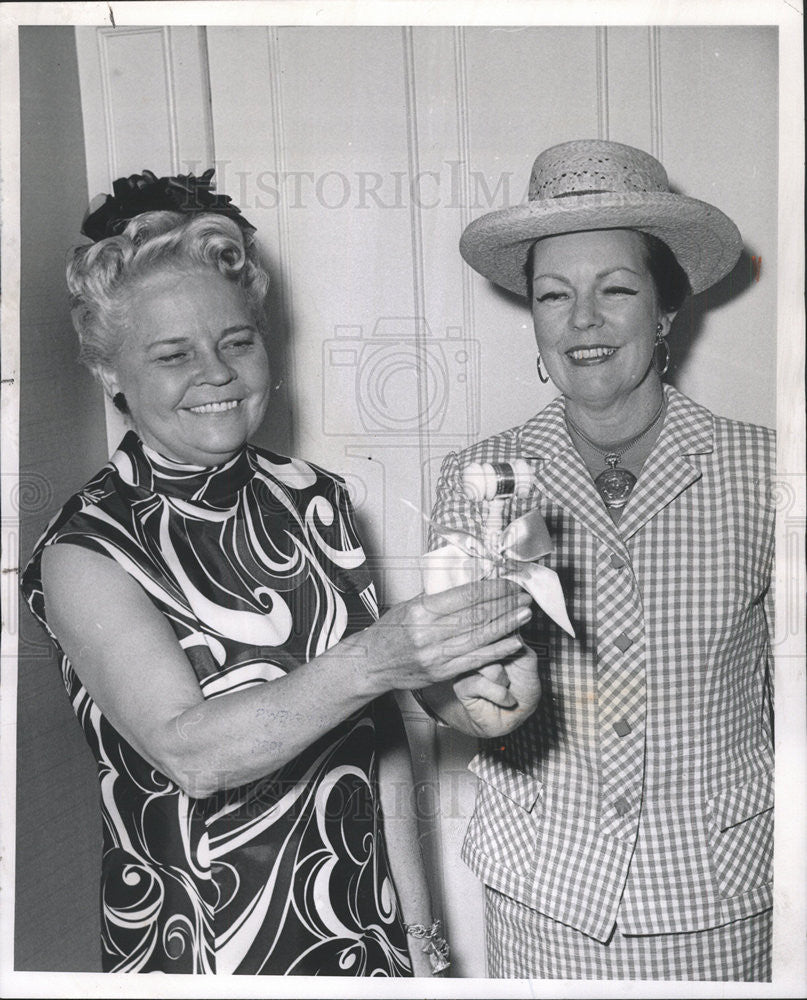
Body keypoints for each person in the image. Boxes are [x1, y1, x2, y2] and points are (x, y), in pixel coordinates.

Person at [20, 170, 534, 976]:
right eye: (171, 355)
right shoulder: (86, 547)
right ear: (109, 372)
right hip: (206, 952)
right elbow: (192, 754)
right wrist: (378, 659)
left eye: (237, 340)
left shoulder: (314, 498)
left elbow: (379, 731)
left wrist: (424, 941)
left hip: (363, 942)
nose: (218, 374)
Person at [418, 140, 775, 980]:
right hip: (543, 895)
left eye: (614, 289)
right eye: (553, 294)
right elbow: (436, 675)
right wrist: (467, 707)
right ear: (533, 317)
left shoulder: (767, 470)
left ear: (662, 310)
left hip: (715, 897)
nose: (581, 320)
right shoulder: (480, 476)